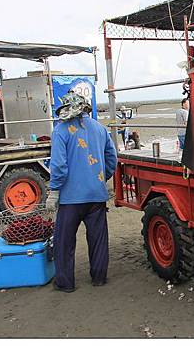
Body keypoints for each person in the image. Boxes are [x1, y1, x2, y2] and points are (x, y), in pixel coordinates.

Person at [45, 92, 118, 292]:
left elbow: (59, 165)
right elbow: (112, 158)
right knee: (98, 239)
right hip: (96, 194)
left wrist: (54, 191)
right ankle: (99, 278)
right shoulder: (99, 128)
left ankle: (65, 283)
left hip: (71, 198)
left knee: (64, 241)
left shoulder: (60, 130)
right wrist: (101, 177)